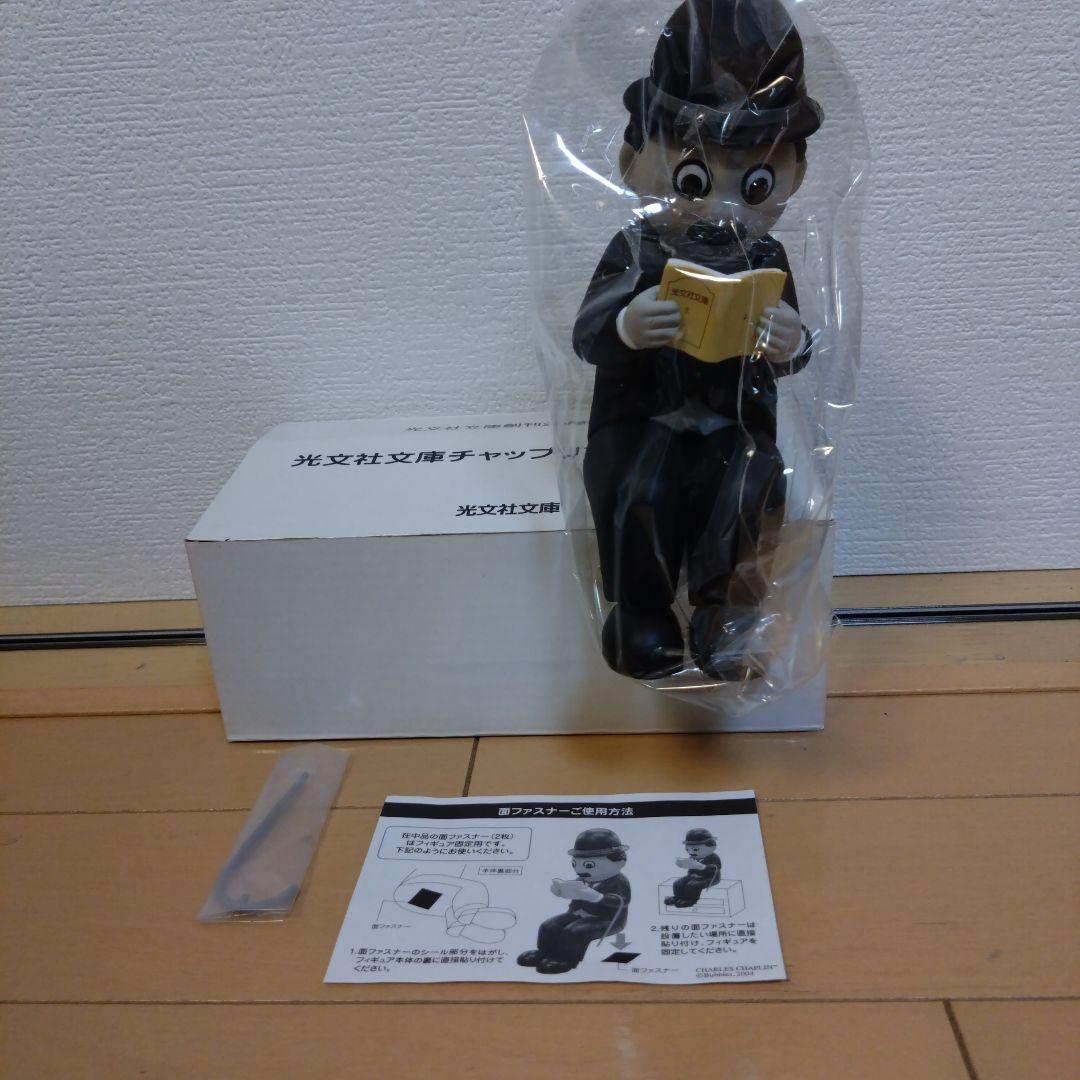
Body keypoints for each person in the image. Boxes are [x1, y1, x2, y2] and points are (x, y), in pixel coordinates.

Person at [574, 0, 822, 680]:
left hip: (731, 426)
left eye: (755, 183)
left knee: (750, 486)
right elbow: (587, 333)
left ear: (794, 174)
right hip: (642, 422)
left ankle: (727, 612)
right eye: (694, 181)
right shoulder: (636, 248)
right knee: (640, 487)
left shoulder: (765, 256)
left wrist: (792, 341)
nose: (720, 208)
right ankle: (642, 611)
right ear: (633, 161)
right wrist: (626, 324)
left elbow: (792, 349)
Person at [517, 828, 631, 975]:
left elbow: (622, 901)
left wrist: (598, 897)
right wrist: (561, 891)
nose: (580, 870)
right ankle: (545, 952)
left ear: (620, 862)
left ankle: (567, 958)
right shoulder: (582, 880)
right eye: (575, 864)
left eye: (589, 865)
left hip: (608, 919)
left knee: (574, 931)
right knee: (549, 926)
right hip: (578, 913)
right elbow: (576, 896)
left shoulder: (618, 881)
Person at [665, 827, 723, 908]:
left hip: (709, 878)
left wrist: (703, 867)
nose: (691, 852)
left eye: (695, 849)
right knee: (678, 883)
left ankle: (690, 900)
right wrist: (685, 865)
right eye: (688, 850)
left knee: (692, 885)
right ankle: (678, 897)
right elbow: (691, 868)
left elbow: (714, 869)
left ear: (711, 846)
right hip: (693, 876)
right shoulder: (693, 857)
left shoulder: (713, 857)